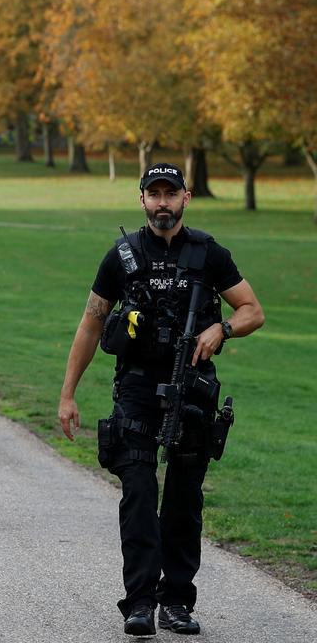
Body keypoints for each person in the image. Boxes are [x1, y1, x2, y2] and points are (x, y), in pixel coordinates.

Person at [58, 163, 264, 637]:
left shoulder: (209, 254)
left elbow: (254, 310)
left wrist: (222, 327)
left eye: (171, 193)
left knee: (183, 500)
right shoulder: (122, 256)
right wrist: (67, 394)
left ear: (186, 198)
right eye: (155, 194)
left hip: (192, 389)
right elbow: (91, 324)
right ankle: (139, 603)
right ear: (143, 200)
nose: (163, 202)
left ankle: (176, 601)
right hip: (136, 390)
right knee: (138, 493)